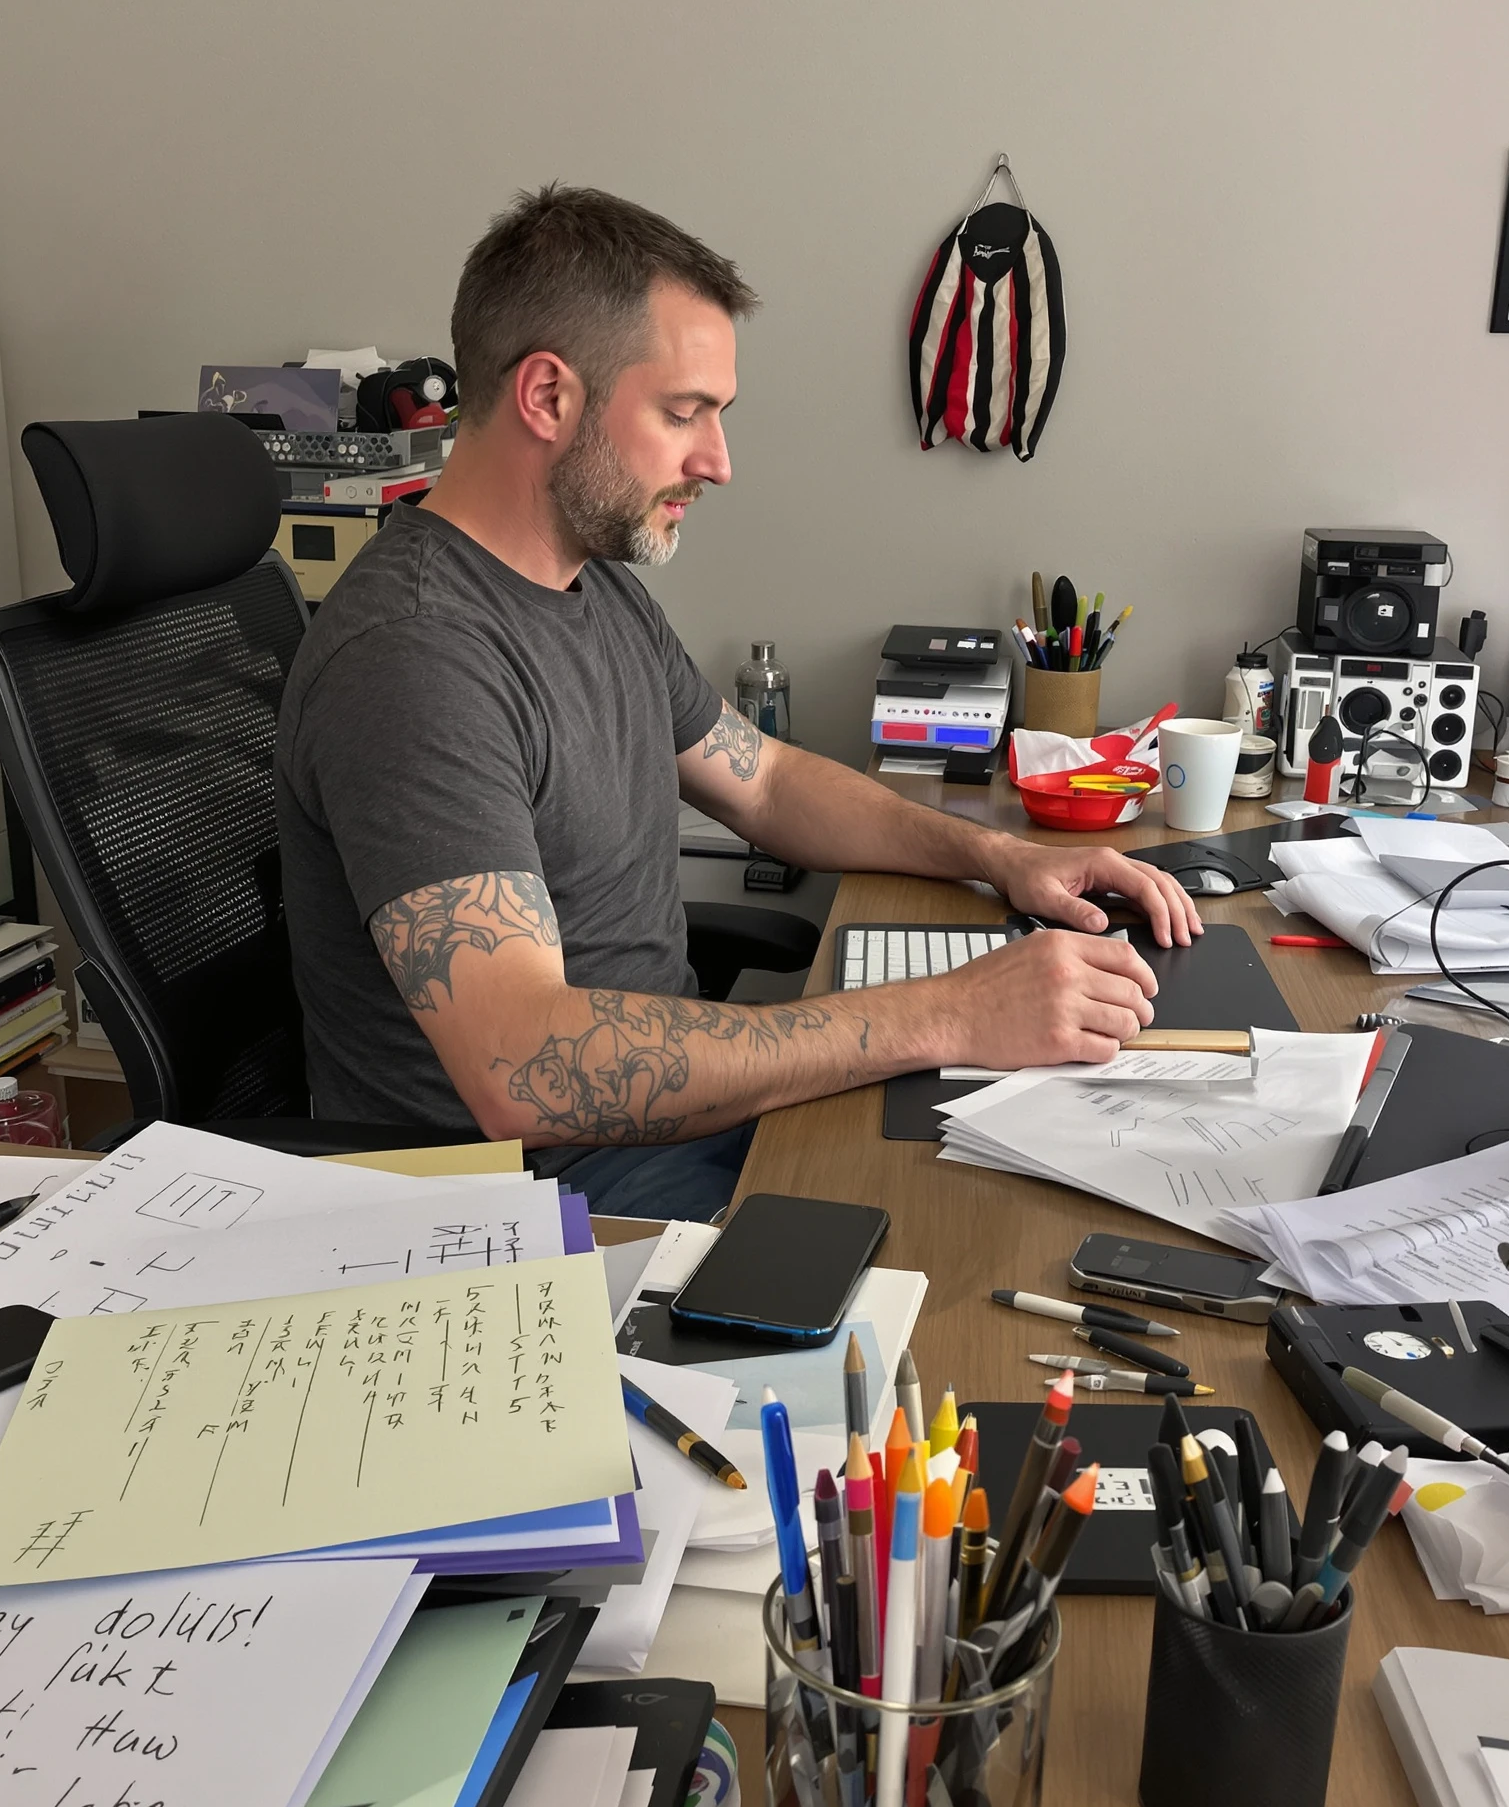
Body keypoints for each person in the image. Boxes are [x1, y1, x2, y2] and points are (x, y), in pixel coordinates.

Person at [275, 186, 1202, 1218]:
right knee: (985, 1225)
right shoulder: (416, 658)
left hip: (648, 1133)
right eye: (684, 413)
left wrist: (1002, 858)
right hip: (525, 1204)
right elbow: (526, 1070)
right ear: (547, 397)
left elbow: (764, 784)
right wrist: (947, 1012)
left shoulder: (592, 586)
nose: (717, 460)